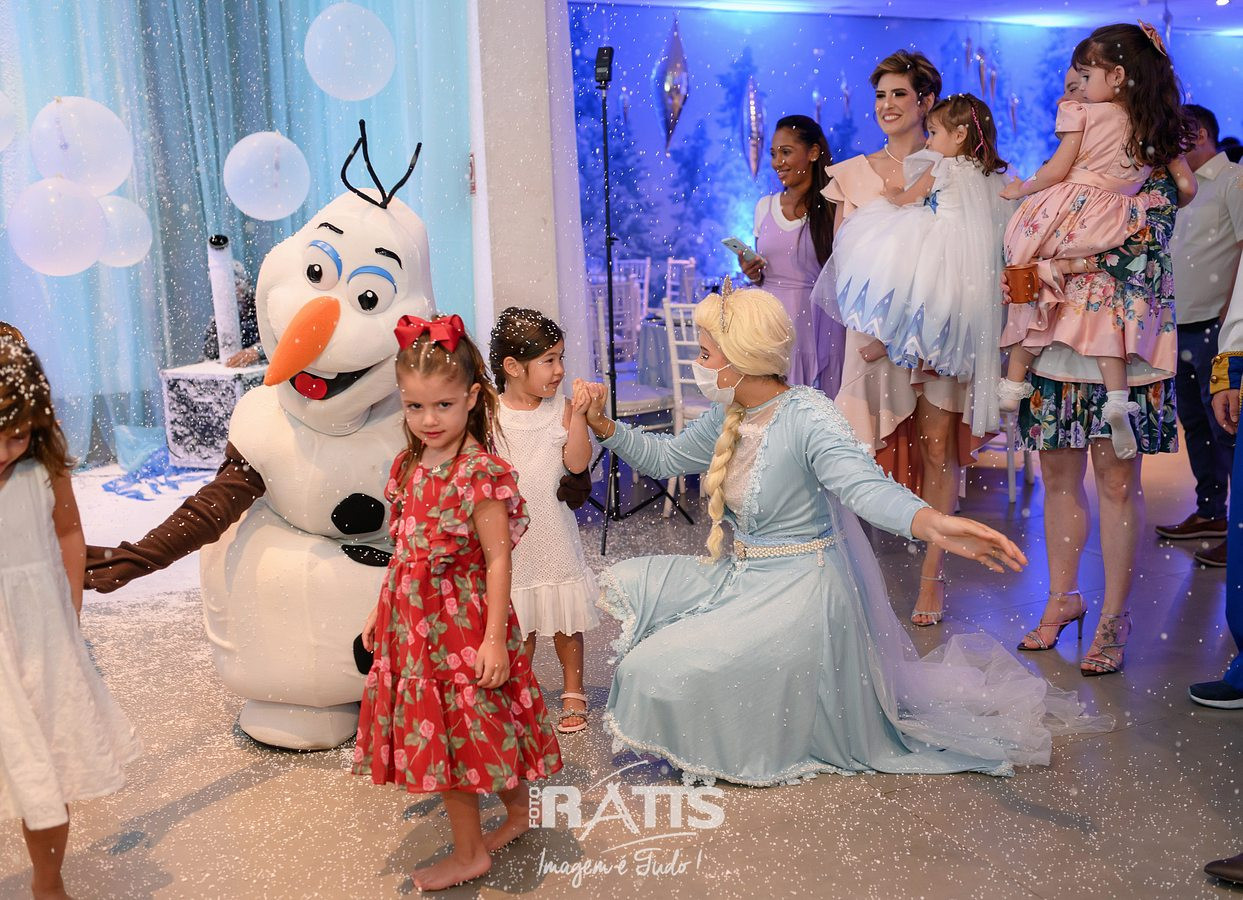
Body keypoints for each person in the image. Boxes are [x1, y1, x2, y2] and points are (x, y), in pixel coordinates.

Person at [574, 284, 1109, 787]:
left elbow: (865, 488)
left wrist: (933, 524)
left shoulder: (808, 415)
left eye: (706, 353)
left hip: (801, 595)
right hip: (741, 578)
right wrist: (603, 426)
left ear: (740, 359)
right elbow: (666, 457)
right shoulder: (730, 414)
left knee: (656, 671)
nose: (700, 364)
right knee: (634, 599)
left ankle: (737, 731)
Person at [352, 315, 561, 892]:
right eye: (415, 407)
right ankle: (517, 814)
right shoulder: (408, 465)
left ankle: (469, 854)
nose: (429, 420)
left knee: (458, 735)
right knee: (473, 729)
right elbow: (404, 548)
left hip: (462, 625)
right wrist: (379, 609)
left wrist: (493, 639)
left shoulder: (480, 474)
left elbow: (498, 561)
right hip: (413, 624)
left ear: (471, 398)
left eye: (443, 405)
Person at [819, 50, 977, 626]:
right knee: (854, 456)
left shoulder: (953, 169)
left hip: (936, 330)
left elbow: (970, 253)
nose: (887, 105)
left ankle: (932, 578)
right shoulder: (852, 175)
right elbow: (844, 265)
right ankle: (846, 582)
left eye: (899, 95)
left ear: (926, 101)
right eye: (881, 95)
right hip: (871, 333)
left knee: (938, 449)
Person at [1008, 165, 1181, 674]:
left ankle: (1114, 619)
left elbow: (1142, 251)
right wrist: (1052, 255)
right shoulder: (1063, 175)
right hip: (1053, 342)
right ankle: (1062, 598)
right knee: (1058, 479)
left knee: (1117, 483)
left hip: (1125, 349)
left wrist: (1064, 256)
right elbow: (1027, 241)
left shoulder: (1154, 177)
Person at [998, 22, 1198, 461]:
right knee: (1107, 318)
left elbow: (1055, 171)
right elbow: (1186, 187)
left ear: (1118, 75)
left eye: (1085, 77)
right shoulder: (1154, 126)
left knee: (1032, 275)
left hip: (1071, 214)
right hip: (1118, 221)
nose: (1079, 90)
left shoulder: (1083, 115)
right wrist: (1136, 196)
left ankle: (1011, 384)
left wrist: (1021, 188)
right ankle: (1116, 400)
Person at [0, 334, 141, 899]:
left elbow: (67, 532)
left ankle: (48, 882)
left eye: (16, 435)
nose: (5, 450)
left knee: (47, 767)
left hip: (39, 638)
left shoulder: (40, 464)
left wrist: (70, 612)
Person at [821, 92, 1012, 438]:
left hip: (939, 251)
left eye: (934, 133)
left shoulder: (942, 167)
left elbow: (910, 199)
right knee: (946, 316)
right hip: (974, 269)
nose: (929, 140)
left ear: (959, 135)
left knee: (902, 282)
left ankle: (889, 342)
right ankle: (937, 358)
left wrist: (892, 195)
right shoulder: (993, 177)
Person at [489, 307, 600, 734]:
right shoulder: (491, 414)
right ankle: (520, 691)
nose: (560, 370)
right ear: (513, 367)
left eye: (561, 358)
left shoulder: (561, 410)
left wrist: (581, 418)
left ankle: (574, 689)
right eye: (549, 360)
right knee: (520, 622)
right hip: (512, 539)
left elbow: (577, 463)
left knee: (566, 620)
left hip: (553, 531)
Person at [1154, 104, 1243, 568]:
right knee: (1193, 423)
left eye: (1178, 135)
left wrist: (1231, 318)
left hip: (1217, 327)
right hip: (1178, 324)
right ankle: (1211, 513)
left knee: (1225, 426)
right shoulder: (1180, 187)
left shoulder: (1233, 181)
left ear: (1200, 134)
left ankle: (1238, 533)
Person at [736, 114, 844, 394]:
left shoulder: (834, 206)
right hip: (770, 330)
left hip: (820, 327)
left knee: (817, 408)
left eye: (786, 152)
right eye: (773, 154)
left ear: (813, 153)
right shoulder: (764, 207)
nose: (777, 162)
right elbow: (767, 272)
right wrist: (753, 272)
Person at [202, 259, 265, 367]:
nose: (230, 292)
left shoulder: (261, 308)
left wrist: (258, 352)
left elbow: (280, 342)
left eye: (236, 284)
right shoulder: (217, 322)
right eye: (221, 289)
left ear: (245, 284)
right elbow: (208, 357)